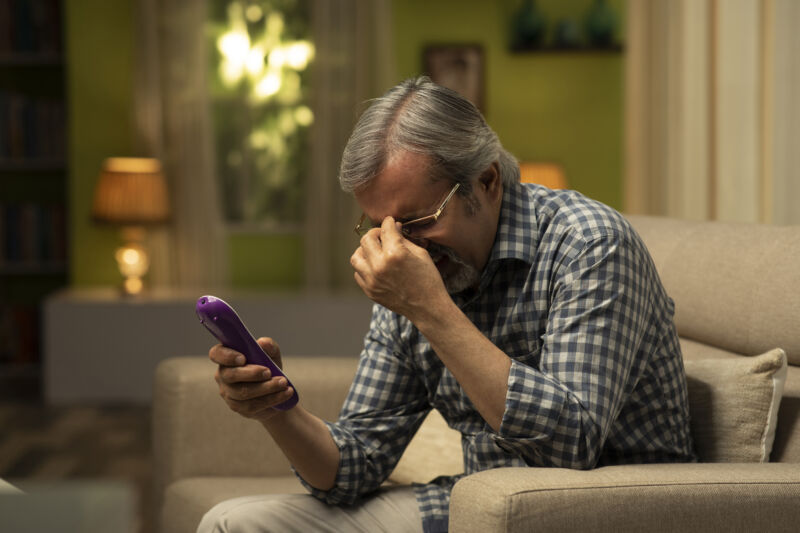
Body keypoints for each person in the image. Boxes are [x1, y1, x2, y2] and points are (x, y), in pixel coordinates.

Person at [198, 77, 696, 533]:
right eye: (379, 225)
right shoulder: (415, 274)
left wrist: (429, 307)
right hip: (484, 508)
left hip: (607, 508)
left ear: (488, 181)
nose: (399, 248)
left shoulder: (590, 244)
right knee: (234, 524)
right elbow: (353, 467)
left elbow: (570, 448)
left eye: (416, 221)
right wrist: (277, 409)